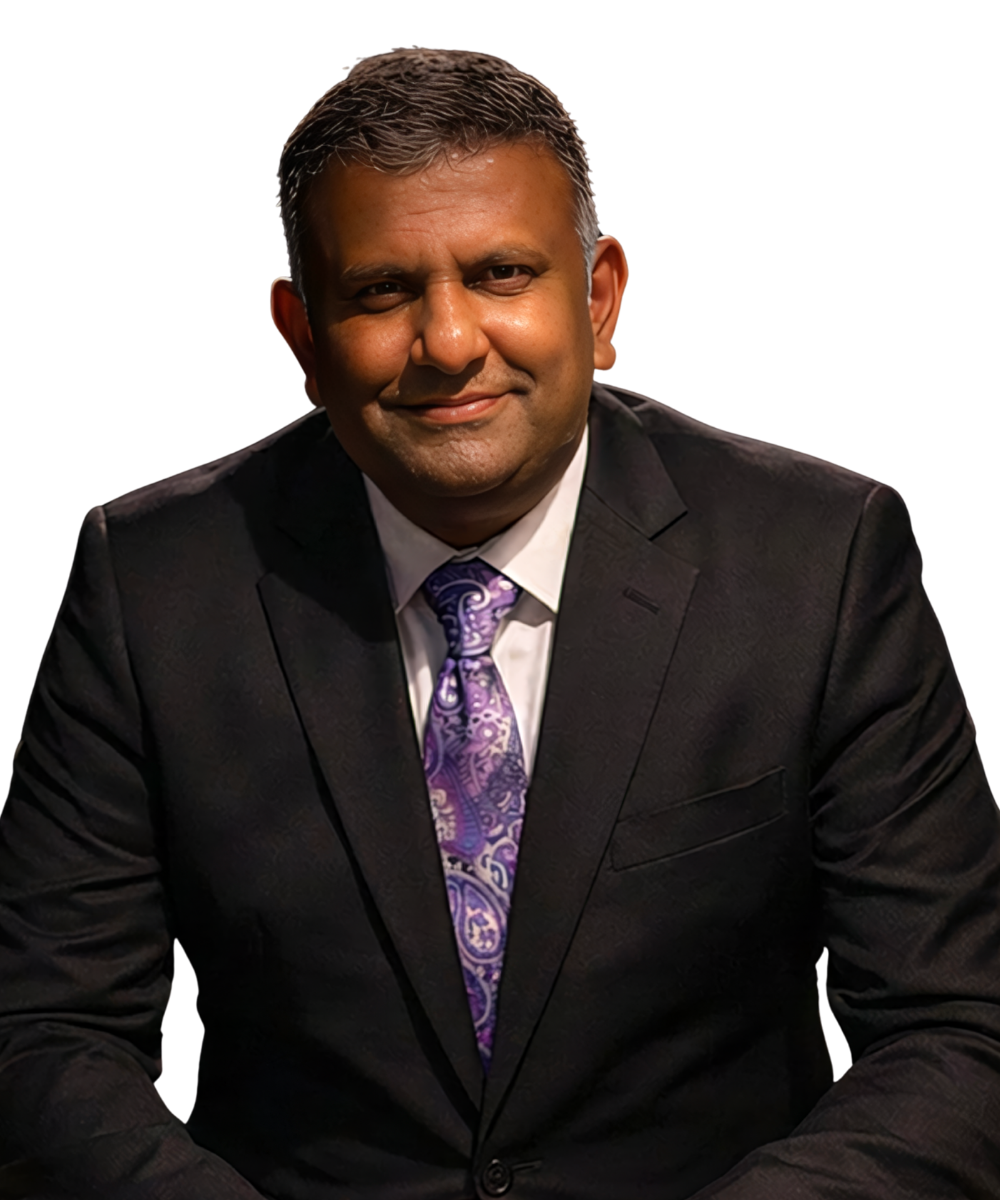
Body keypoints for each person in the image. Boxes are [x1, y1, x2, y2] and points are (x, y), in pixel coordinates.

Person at [1, 45, 998, 1200]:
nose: (449, 341)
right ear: (301, 338)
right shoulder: (151, 585)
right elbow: (49, 1033)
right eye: (381, 291)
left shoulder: (819, 560)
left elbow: (954, 1027)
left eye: (502, 274)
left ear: (599, 298)